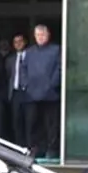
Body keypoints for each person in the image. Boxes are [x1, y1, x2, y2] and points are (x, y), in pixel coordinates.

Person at [23, 23, 61, 162]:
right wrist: (25, 84)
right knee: (34, 124)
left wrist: (52, 84)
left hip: (50, 94)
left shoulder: (56, 50)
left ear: (48, 35)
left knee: (51, 124)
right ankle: (36, 149)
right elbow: (23, 69)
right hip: (32, 94)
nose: (40, 37)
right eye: (37, 35)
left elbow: (59, 68)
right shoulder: (29, 51)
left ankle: (52, 150)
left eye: (42, 35)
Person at [5, 33, 31, 149]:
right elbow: (8, 76)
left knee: (30, 121)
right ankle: (19, 147)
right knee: (16, 121)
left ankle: (30, 146)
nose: (18, 44)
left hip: (28, 93)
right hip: (15, 93)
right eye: (15, 42)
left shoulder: (31, 57)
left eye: (20, 41)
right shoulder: (10, 59)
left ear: (25, 42)